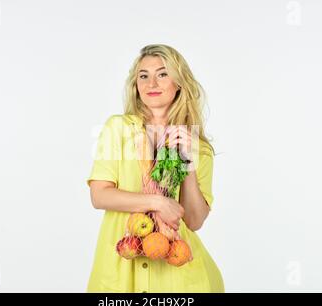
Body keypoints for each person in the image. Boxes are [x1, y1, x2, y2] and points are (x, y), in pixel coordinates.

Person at [86, 44, 224, 292]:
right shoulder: (118, 129)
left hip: (178, 276)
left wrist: (188, 164)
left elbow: (193, 221)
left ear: (179, 82)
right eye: (143, 76)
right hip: (122, 270)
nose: (151, 84)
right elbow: (99, 195)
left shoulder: (197, 147)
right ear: (135, 84)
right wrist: (158, 202)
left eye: (162, 74)